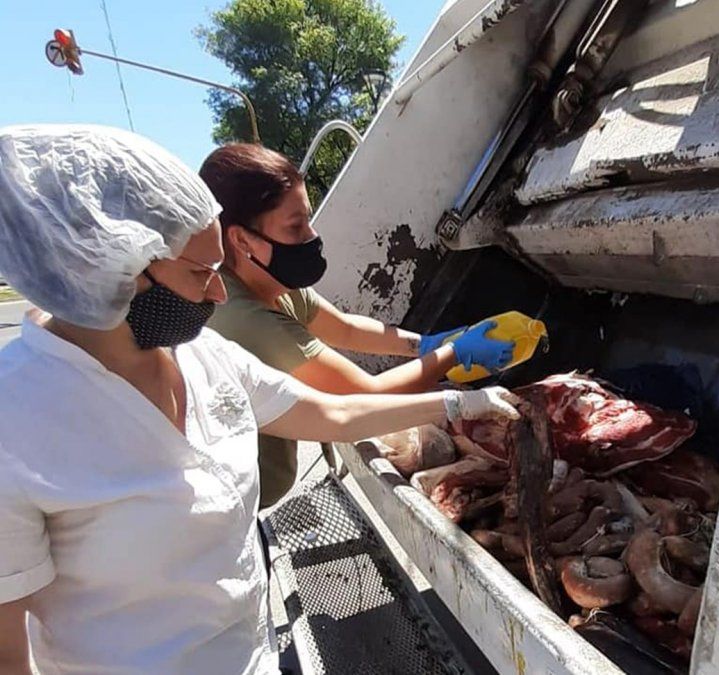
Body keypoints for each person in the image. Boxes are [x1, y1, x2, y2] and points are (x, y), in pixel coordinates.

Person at [0, 124, 519, 675]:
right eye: (202, 273)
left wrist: (461, 403)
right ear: (109, 270)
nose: (220, 293)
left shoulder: (202, 353)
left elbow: (334, 413)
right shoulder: (19, 422)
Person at [200, 143, 514, 507]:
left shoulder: (272, 284)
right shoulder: (242, 319)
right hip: (228, 509)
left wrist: (425, 344)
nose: (312, 237)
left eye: (308, 219)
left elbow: (346, 329)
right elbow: (364, 399)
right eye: (295, 227)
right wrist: (452, 356)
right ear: (241, 239)